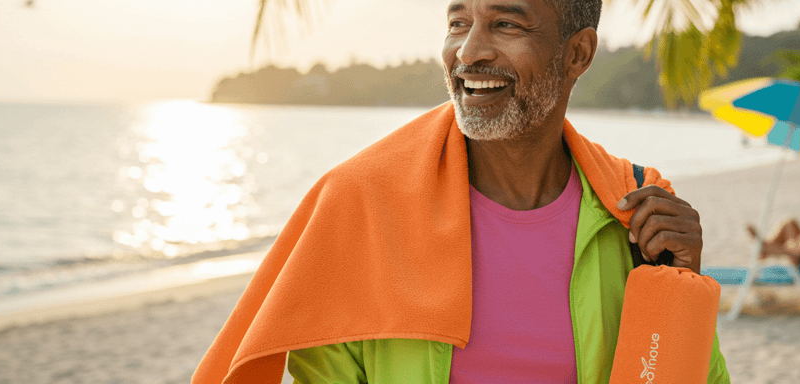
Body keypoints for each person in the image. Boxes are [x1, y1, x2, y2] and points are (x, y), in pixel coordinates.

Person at [193, 0, 731, 382]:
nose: (469, 51)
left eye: (505, 24)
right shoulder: (362, 205)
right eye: (458, 22)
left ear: (577, 55)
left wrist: (682, 291)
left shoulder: (636, 211)